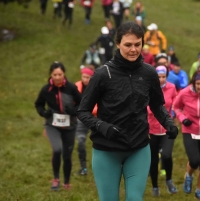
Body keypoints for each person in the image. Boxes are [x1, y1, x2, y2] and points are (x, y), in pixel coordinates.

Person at [77, 22, 178, 201]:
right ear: (118, 44)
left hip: (138, 148)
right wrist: (102, 126)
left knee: (134, 199)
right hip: (107, 149)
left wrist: (168, 122)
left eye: (137, 44)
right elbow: (83, 111)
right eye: (128, 45)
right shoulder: (103, 74)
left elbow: (157, 105)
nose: (133, 49)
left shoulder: (149, 73)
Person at [35, 61, 81, 191]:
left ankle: (66, 182)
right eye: (54, 74)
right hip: (52, 125)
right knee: (57, 150)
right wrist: (44, 112)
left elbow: (82, 103)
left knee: (67, 154)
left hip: (69, 125)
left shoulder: (71, 88)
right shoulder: (46, 89)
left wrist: (74, 111)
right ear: (51, 75)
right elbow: (38, 104)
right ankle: (56, 179)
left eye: (60, 74)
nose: (57, 77)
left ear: (64, 74)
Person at [173, 71, 200, 200]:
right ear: (193, 83)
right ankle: (189, 176)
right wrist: (182, 118)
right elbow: (176, 107)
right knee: (195, 161)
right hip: (189, 129)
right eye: (198, 84)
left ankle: (199, 191)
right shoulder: (185, 93)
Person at [148, 65, 178, 196]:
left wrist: (175, 118)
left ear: (167, 76)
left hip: (167, 129)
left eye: (163, 77)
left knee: (166, 155)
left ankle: (169, 180)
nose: (161, 79)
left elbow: (175, 104)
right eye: (158, 77)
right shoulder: (149, 88)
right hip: (151, 129)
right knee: (153, 159)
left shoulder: (171, 87)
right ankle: (155, 186)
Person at [75, 67, 97, 175]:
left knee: (99, 143)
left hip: (95, 118)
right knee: (80, 142)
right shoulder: (76, 87)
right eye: (84, 77)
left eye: (88, 77)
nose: (85, 79)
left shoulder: (97, 87)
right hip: (81, 119)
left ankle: (100, 168)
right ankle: (83, 167)